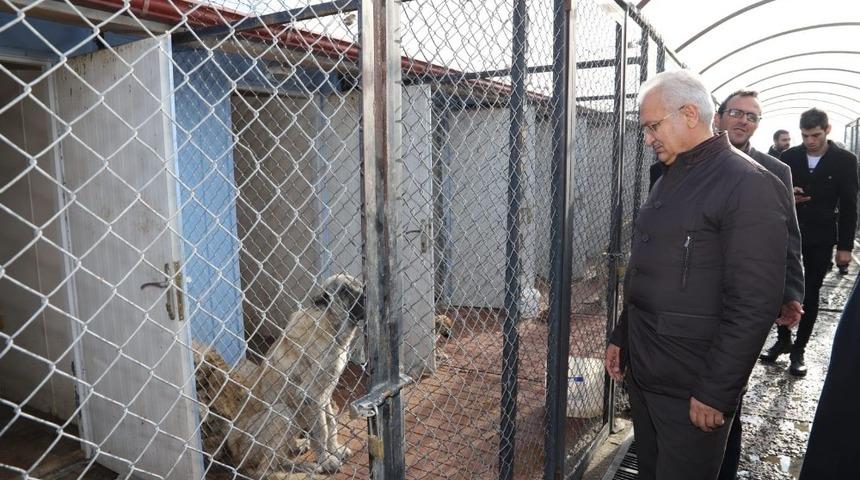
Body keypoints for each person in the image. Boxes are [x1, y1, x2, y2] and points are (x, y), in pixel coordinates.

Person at [604, 70, 791, 480]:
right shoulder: (671, 174)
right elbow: (647, 269)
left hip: (693, 385)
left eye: (653, 126)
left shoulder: (748, 184)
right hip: (649, 371)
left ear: (689, 113)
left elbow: (754, 302)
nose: (648, 138)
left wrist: (716, 392)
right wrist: (623, 336)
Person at [711, 90, 804, 480]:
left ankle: (723, 470)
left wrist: (792, 293)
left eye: (752, 117)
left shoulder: (775, 171)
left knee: (729, 392)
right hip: (692, 296)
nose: (743, 121)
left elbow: (789, 236)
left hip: (745, 300)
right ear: (718, 117)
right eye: (736, 112)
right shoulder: (687, 160)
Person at [760, 108, 858, 376]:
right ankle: (782, 340)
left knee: (811, 293)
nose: (810, 141)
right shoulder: (789, 157)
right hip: (788, 234)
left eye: (815, 135)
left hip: (821, 236)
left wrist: (845, 247)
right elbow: (774, 194)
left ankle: (799, 350)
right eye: (805, 135)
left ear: (827, 130)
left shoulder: (845, 161)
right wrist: (789, 195)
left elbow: (850, 205)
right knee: (782, 287)